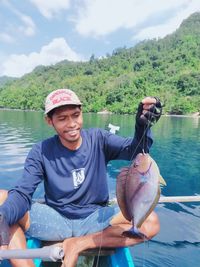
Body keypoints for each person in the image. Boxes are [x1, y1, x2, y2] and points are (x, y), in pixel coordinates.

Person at [0, 88, 162, 267]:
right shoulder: (41, 151)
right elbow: (23, 192)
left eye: (75, 115)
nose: (71, 124)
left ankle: (79, 243)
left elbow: (135, 151)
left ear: (81, 113)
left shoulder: (99, 138)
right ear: (49, 121)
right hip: (55, 219)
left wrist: (142, 126)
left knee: (151, 222)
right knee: (2, 200)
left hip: (95, 219)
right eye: (62, 118)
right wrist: (4, 216)